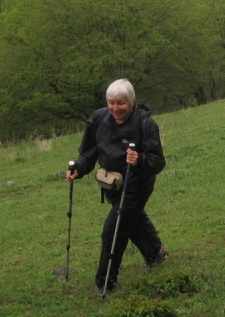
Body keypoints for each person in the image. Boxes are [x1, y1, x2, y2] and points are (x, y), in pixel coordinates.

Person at [65, 79, 167, 295]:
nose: (115, 108)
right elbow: (89, 152)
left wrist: (139, 159)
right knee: (131, 219)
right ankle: (156, 253)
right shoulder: (99, 119)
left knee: (114, 230)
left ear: (132, 103)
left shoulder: (146, 125)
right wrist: (79, 168)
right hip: (111, 184)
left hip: (137, 185)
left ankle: (105, 283)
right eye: (111, 103)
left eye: (121, 103)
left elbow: (157, 162)